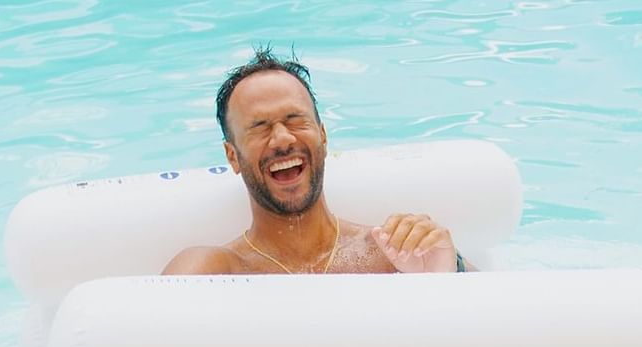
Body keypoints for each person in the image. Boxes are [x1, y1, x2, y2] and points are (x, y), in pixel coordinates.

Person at [163, 47, 474, 275]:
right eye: (260, 127)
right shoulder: (214, 272)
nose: (282, 139)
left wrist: (447, 273)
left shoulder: (389, 255)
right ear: (233, 156)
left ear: (323, 136)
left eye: (295, 120)